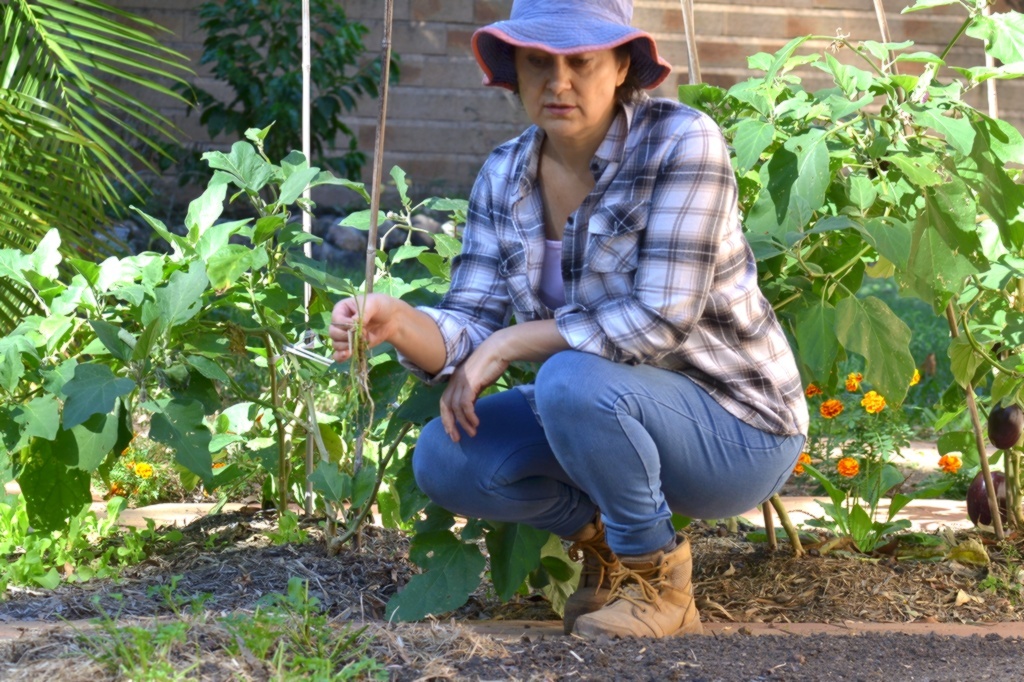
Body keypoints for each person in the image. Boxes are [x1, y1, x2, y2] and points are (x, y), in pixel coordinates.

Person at [330, 0, 809, 639]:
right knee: (447, 456)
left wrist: (514, 341)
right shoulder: (505, 174)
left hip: (738, 428)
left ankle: (660, 582)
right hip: (604, 409)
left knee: (569, 378)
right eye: (538, 63)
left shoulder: (682, 142)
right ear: (516, 71)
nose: (559, 83)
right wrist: (398, 321)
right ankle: (608, 545)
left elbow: (660, 320)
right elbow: (470, 324)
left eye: (581, 61)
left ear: (620, 67)